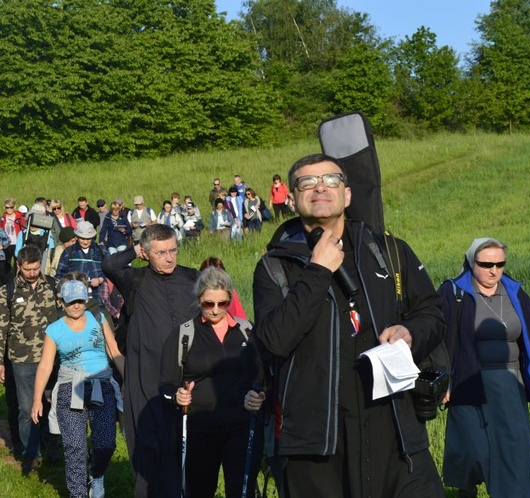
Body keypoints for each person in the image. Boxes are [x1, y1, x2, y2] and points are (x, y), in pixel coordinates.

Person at [253, 153, 445, 498]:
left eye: (331, 180)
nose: (320, 188)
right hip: (317, 442)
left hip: (395, 428)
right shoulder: (275, 267)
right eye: (306, 182)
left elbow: (432, 312)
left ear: (348, 194)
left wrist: (410, 333)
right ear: (293, 199)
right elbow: (273, 341)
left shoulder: (388, 250)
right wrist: (317, 271)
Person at [437, 238, 530, 498]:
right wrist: (443, 381)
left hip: (510, 383)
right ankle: (467, 489)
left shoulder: (515, 293)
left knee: (513, 451)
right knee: (474, 450)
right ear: (472, 263)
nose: (493, 270)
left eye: (499, 264)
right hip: (467, 380)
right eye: (486, 264)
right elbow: (439, 339)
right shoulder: (453, 293)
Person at [103, 224, 199, 497]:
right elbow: (109, 264)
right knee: (147, 443)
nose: (169, 258)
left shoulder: (191, 278)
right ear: (145, 254)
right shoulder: (136, 279)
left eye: (173, 250)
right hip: (146, 375)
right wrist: (134, 250)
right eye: (160, 253)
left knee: (185, 444)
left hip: (185, 376)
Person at [159, 267, 265, 498]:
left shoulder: (247, 331)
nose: (215, 310)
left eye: (222, 303)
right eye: (208, 304)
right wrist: (177, 395)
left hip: (242, 427)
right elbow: (166, 384)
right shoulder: (184, 335)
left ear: (230, 299)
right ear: (199, 300)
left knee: (242, 492)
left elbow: (262, 375)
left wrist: (258, 395)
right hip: (199, 430)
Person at [31, 277, 124, 498]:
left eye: (80, 301)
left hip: (102, 384)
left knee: (105, 444)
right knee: (75, 448)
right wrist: (36, 399)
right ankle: (78, 494)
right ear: (62, 302)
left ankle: (96, 474)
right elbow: (45, 366)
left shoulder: (98, 318)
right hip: (69, 389)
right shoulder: (54, 330)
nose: (76, 306)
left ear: (86, 300)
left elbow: (114, 350)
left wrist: (129, 381)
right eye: (71, 301)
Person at [0, 245, 60, 473]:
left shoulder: (53, 286)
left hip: (52, 358)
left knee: (51, 405)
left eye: (36, 268)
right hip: (22, 359)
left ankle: (51, 445)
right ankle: (30, 453)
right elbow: (1, 328)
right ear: (19, 266)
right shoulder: (8, 291)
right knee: (26, 408)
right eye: (28, 269)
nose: (33, 273)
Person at [55, 221, 109, 311]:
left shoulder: (101, 251)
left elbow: (110, 271)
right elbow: (60, 274)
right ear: (77, 237)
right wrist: (72, 283)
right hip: (75, 298)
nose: (85, 242)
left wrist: (100, 279)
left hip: (98, 296)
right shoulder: (69, 251)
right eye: (82, 239)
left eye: (88, 239)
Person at [1, 198, 25, 276]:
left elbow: (23, 228)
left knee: (17, 263)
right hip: (6, 244)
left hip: (17, 242)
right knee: (6, 263)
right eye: (7, 207)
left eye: (11, 207)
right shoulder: (3, 218)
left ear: (14, 207)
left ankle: (17, 279)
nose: (9, 209)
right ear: (4, 207)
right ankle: (7, 281)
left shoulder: (19, 217)